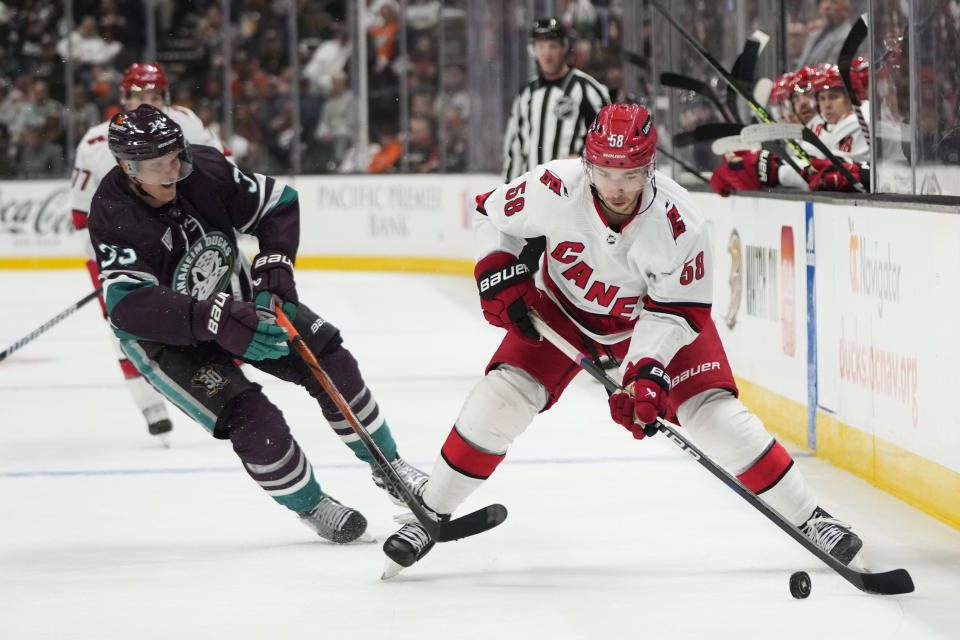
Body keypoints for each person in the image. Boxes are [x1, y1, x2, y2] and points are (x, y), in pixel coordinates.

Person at [382, 103, 863, 574]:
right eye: (605, 172)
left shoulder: (679, 223)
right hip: (562, 312)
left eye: (630, 174)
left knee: (716, 417)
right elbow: (491, 214)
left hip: (652, 322)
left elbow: (677, 312)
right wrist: (496, 269)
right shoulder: (554, 185)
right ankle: (430, 513)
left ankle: (810, 518)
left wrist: (647, 373)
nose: (616, 187)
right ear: (588, 162)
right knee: (500, 399)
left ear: (650, 168)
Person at [86, 104, 427, 542]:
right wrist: (212, 317)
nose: (174, 170)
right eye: (159, 166)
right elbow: (127, 304)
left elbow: (277, 204)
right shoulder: (113, 212)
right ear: (127, 167)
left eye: (176, 156)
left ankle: (391, 467)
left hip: (240, 302)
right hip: (167, 340)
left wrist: (276, 268)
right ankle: (312, 505)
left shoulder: (202, 169)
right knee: (252, 417)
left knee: (329, 360)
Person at [70, 63, 231, 444]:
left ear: (167, 99)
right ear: (124, 99)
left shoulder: (187, 124)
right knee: (126, 327)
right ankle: (150, 405)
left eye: (155, 97)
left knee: (205, 312)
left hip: (185, 242)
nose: (147, 103)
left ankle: (219, 388)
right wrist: (106, 263)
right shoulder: (95, 143)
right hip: (123, 250)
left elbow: (224, 172)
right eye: (139, 96)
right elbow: (80, 212)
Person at [503, 18, 611, 275]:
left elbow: (609, 140)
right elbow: (515, 148)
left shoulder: (588, 90)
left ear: (564, 48)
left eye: (552, 46)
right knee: (530, 274)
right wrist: (508, 191)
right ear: (533, 51)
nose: (547, 53)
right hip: (532, 199)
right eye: (541, 47)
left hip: (574, 198)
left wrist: (581, 160)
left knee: (575, 272)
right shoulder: (526, 94)